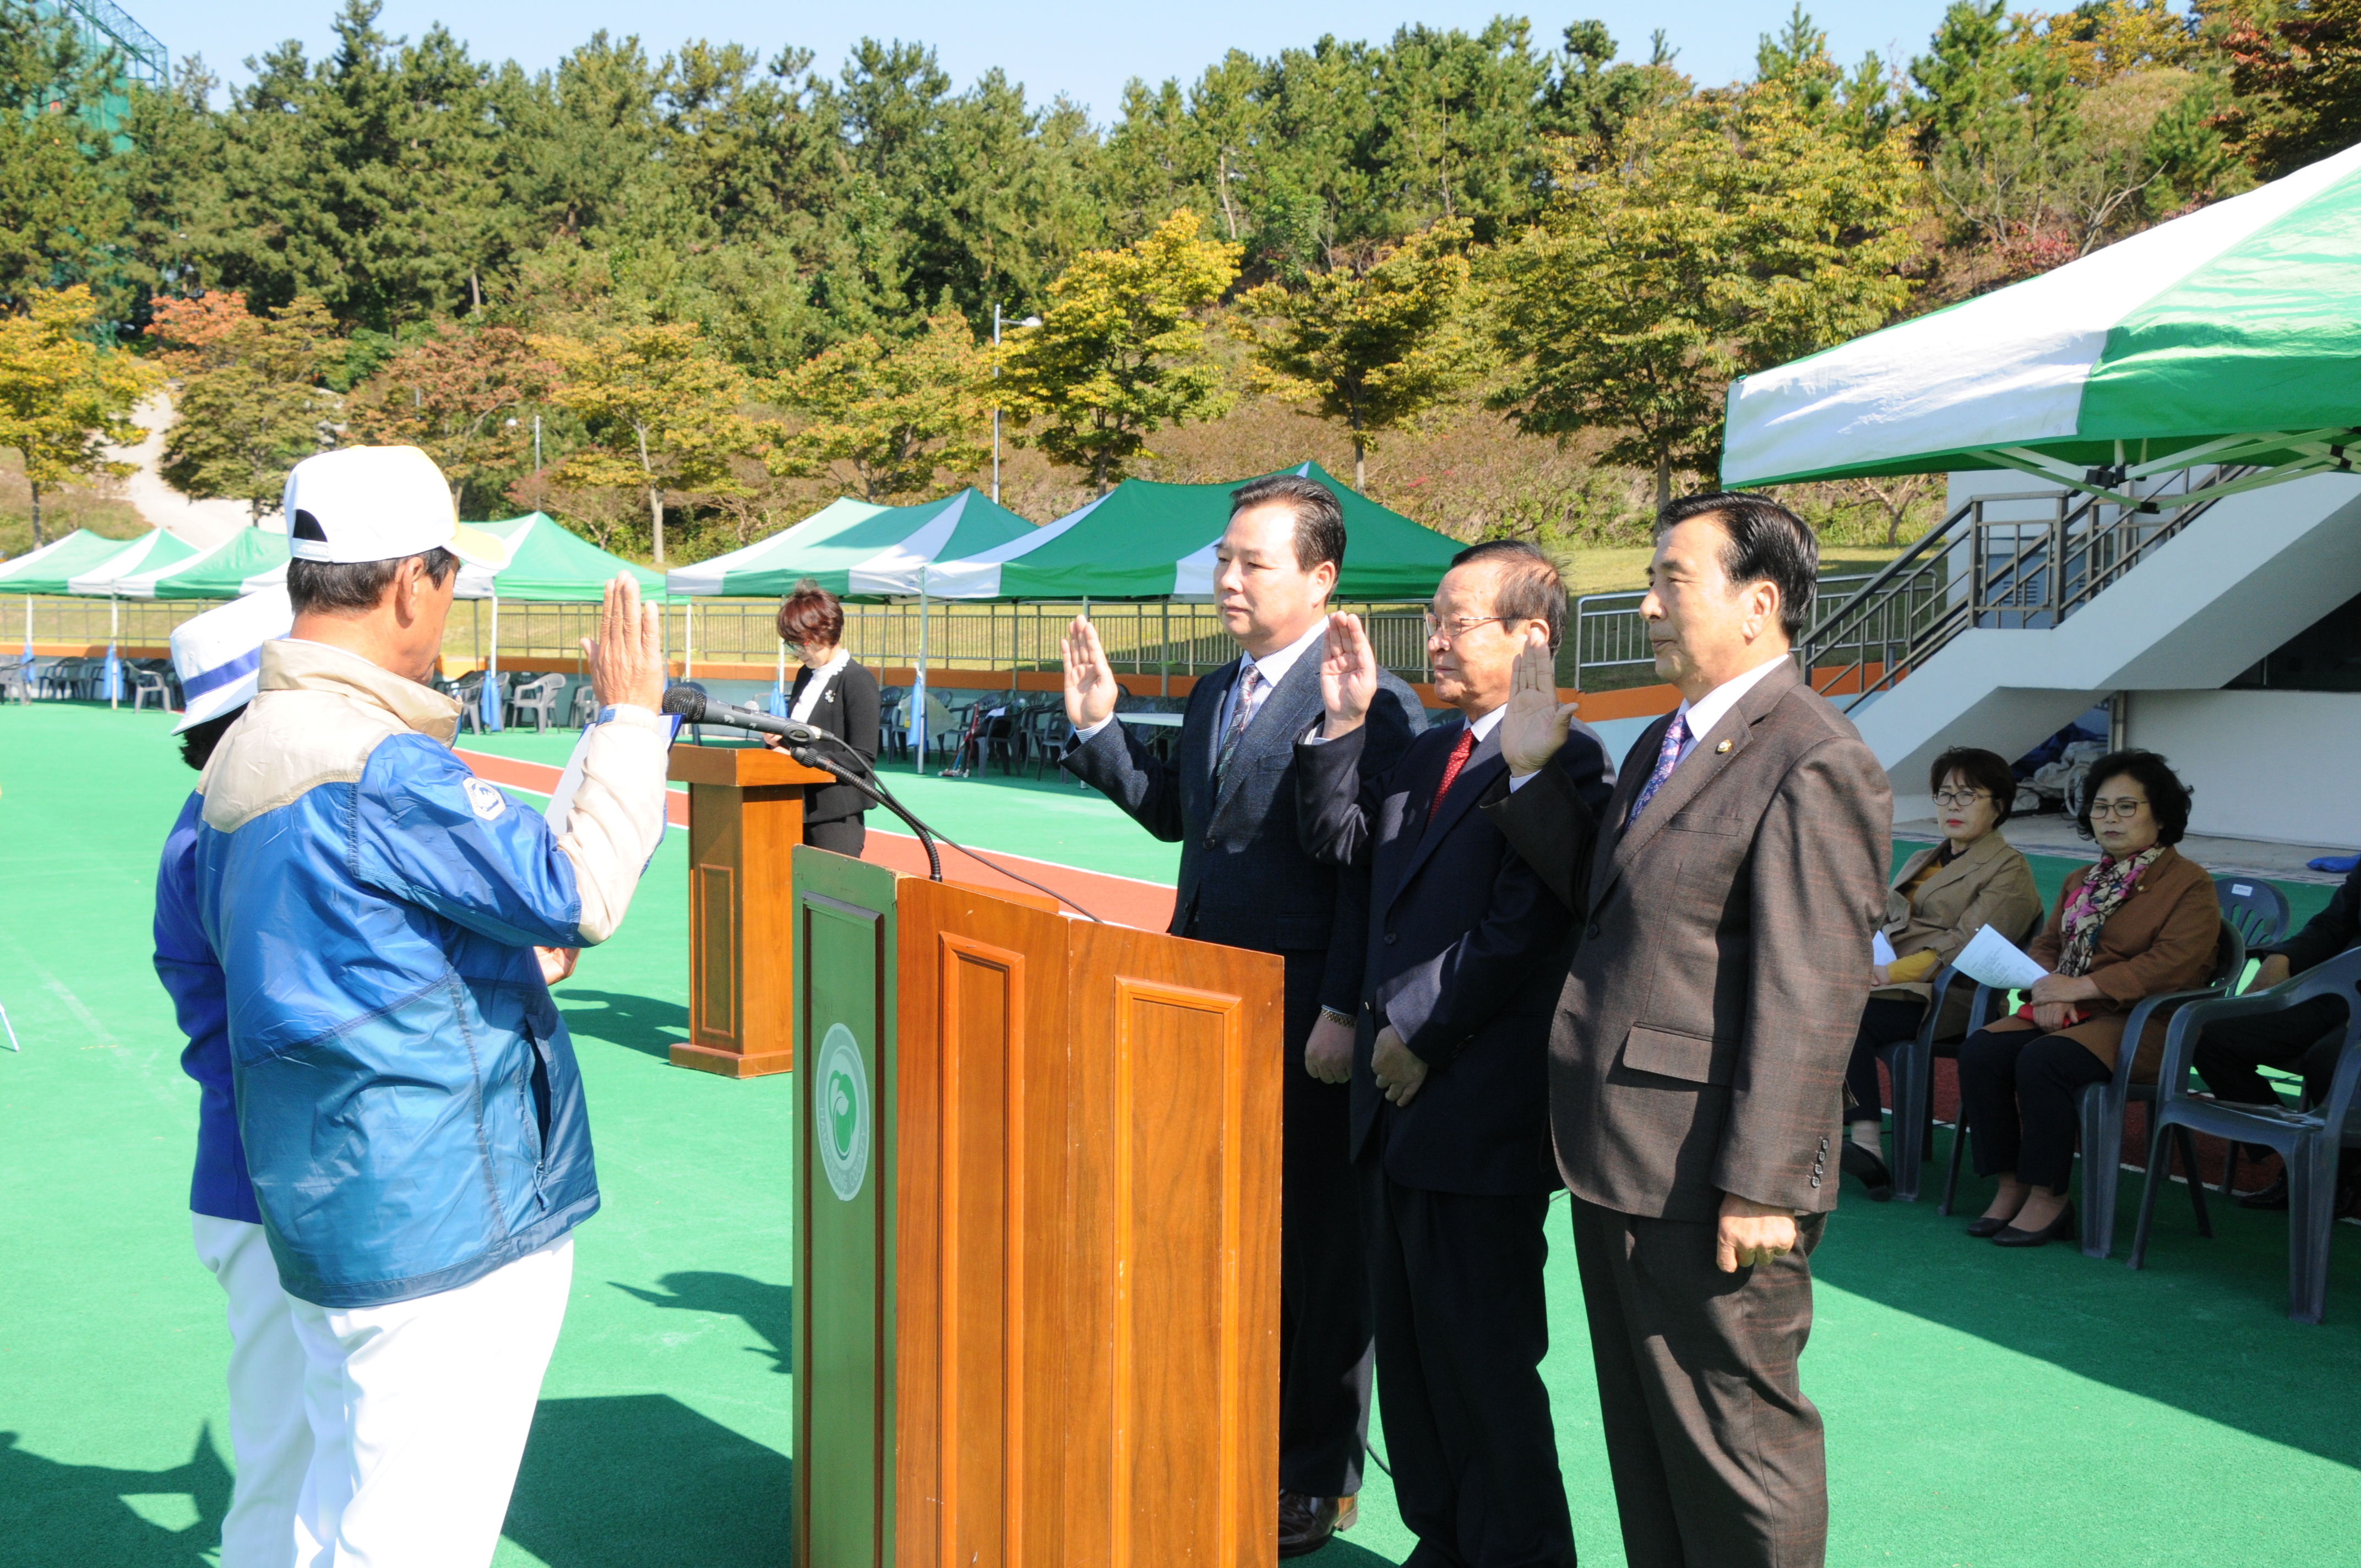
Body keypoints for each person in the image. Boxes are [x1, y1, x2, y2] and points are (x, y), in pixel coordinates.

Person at [192, 445, 672, 1568]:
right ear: (412, 579)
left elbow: (351, 960)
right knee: (407, 1541)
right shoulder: (379, 764)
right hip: (440, 1212)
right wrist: (629, 719)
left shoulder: (240, 758)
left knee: (337, 1518)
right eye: (451, 575)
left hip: (333, 1201)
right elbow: (580, 888)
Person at [1487, 492, 1890, 1568]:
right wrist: (1527, 769)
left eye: (1670, 577)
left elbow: (1813, 985)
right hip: (1624, 1155)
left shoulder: (1811, 756)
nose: (1646, 599)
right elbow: (1610, 895)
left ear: (1757, 603)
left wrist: (1765, 1181)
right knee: (1651, 1443)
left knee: (1736, 1455)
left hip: (1712, 1174)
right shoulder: (1668, 740)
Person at [1060, 472, 1424, 1557]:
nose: (1225, 577)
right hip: (1205, 1006)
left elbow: (1368, 876)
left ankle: (1318, 1469)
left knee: (1321, 1246)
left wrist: (1341, 1009)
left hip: (1308, 1014)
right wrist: (1099, 730)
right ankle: (1238, 1422)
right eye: (1222, 558)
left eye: (1249, 561)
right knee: (1227, 1235)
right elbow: (1184, 817)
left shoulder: (1367, 693)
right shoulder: (1222, 687)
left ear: (1320, 576)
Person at [1295, 540, 1610, 1568]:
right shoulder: (1425, 751)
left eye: (1457, 619)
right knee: (1419, 1360)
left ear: (1533, 637)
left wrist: (1417, 1034)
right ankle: (1443, 1538)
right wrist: (1344, 724)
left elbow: (1526, 924)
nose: (1433, 638)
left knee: (1483, 1359)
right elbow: (1348, 856)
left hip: (1474, 1108)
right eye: (1431, 618)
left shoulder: (1562, 757)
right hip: (1390, 1112)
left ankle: (1517, 1552)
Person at [154, 589, 308, 1567]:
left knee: (293, 1454)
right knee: (284, 1474)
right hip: (271, 1186)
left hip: (258, 1182)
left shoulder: (213, 822)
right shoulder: (235, 833)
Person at [1954, 749, 2219, 1247]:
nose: (2110, 819)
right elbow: (2049, 943)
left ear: (2161, 815)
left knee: (2043, 1061)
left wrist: (2079, 988)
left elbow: (2173, 963)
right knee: (1982, 1053)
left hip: (2142, 1023)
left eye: (2126, 807)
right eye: (2101, 807)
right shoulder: (2084, 880)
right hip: (2070, 1011)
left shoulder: (2190, 885)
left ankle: (2050, 1196)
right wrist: (2049, 988)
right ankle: (2011, 1184)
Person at [1842, 746, 2043, 1199]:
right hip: (1887, 982)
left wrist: (1889, 973)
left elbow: (1967, 946)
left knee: (1841, 1016)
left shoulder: (2010, 871)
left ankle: (1868, 1145)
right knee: (1803, 1002)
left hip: (1948, 996)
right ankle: (1823, 1136)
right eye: (1944, 795)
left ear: (2000, 806)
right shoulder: (1926, 858)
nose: (1953, 806)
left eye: (1968, 795)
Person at [2194, 858, 2361, 1211]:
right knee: (2209, 1036)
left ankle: (2341, 1180)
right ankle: (2290, 1151)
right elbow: (2333, 926)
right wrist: (2281, 957)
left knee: (2330, 1063)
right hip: (2339, 994)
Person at [768, 577, 880, 854]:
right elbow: (804, 736)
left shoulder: (857, 680)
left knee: (833, 894)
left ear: (825, 634)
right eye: (791, 644)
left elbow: (862, 757)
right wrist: (779, 741)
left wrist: (799, 756)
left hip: (836, 812)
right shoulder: (805, 674)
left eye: (801, 644)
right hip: (796, 804)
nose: (797, 653)